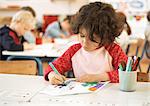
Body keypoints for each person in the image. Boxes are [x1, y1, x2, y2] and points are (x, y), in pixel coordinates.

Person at [44, 2, 128, 84]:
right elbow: (52, 67)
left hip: (111, 95)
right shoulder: (74, 50)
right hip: (81, 96)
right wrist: (52, 75)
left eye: (93, 39)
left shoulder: (114, 50)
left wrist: (98, 77)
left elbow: (127, 73)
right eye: (82, 36)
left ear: (106, 36)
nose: (85, 43)